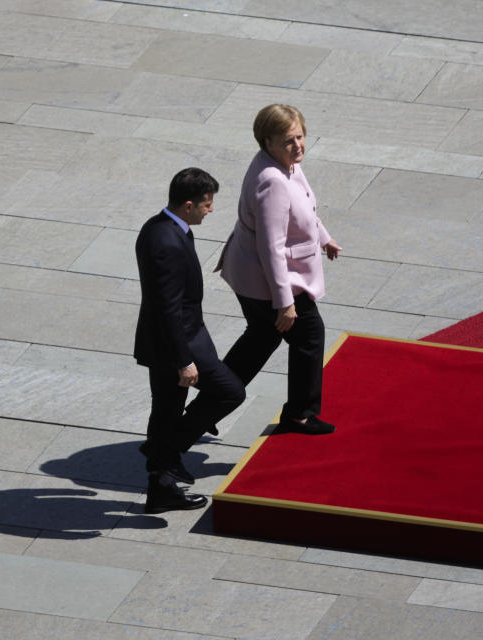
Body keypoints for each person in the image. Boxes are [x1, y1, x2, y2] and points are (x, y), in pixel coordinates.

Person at [216, 104, 341, 435]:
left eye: (300, 136)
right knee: (309, 336)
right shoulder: (272, 181)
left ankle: (215, 397)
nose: (298, 145)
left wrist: (324, 238)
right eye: (288, 140)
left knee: (261, 337)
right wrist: (284, 301)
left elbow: (303, 208)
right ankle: (299, 414)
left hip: (252, 276)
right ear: (266, 141)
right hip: (268, 282)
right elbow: (270, 246)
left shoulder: (284, 164)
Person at [135, 167, 245, 513]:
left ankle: (161, 484)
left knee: (166, 410)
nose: (209, 210)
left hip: (171, 340)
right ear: (187, 205)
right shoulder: (167, 240)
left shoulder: (160, 227)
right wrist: (184, 360)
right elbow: (168, 307)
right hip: (178, 343)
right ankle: (164, 452)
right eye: (206, 205)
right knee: (230, 391)